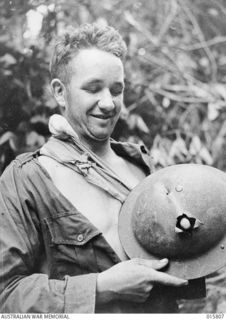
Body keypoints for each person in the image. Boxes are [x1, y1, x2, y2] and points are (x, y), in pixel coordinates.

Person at [0, 23, 189, 313]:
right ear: (60, 93)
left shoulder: (139, 165)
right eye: (92, 88)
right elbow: (6, 295)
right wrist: (101, 288)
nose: (108, 103)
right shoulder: (25, 179)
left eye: (117, 89)